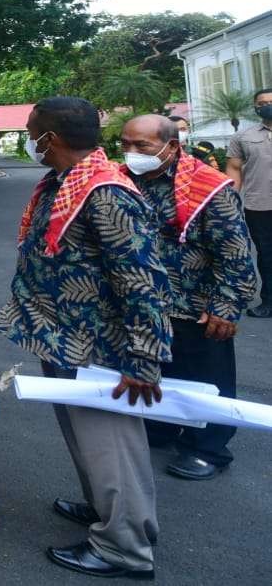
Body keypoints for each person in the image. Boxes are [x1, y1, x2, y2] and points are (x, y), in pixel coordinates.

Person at [0, 96, 170, 580]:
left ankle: (124, 547)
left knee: (110, 444)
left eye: (32, 132)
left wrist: (143, 360)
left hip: (102, 349)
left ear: (51, 138)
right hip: (65, 338)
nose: (29, 140)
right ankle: (104, 510)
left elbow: (142, 282)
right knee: (87, 441)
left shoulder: (106, 192)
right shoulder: (68, 182)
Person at [119, 114, 257, 480]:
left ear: (172, 147)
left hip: (195, 304)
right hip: (143, 305)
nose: (132, 153)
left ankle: (209, 448)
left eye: (142, 146)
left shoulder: (209, 186)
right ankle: (162, 428)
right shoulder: (122, 180)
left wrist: (226, 306)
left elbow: (234, 252)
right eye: (126, 144)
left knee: (207, 378)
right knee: (156, 371)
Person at [228, 87, 272, 318]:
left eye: (270, 101)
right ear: (255, 107)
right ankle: (269, 301)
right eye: (261, 102)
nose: (266, 105)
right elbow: (234, 170)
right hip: (260, 206)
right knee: (266, 255)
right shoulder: (242, 137)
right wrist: (229, 202)